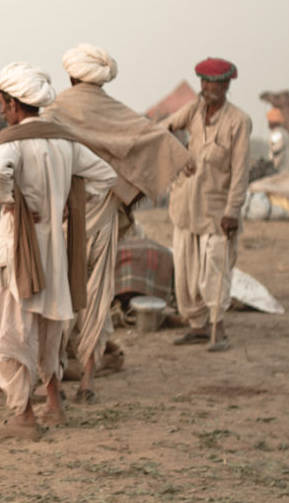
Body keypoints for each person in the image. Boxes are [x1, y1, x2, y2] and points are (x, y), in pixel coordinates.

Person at [43, 44, 192, 402]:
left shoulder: (53, 111)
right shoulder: (120, 113)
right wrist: (131, 195)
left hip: (65, 218)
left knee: (59, 297)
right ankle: (88, 383)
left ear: (71, 75)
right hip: (106, 216)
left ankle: (52, 383)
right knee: (96, 297)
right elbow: (158, 139)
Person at [0, 62, 116, 439]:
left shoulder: (11, 141)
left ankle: (24, 414)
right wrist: (70, 203)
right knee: (50, 326)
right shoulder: (65, 141)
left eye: (2, 103)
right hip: (55, 249)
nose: (2, 110)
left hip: (20, 249)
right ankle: (54, 404)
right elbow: (106, 176)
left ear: (12, 103)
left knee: (15, 327)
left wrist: (12, 202)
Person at [166, 58, 251, 352]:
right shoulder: (193, 110)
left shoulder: (239, 121)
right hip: (185, 207)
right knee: (186, 274)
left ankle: (218, 330)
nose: (205, 87)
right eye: (202, 81)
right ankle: (198, 328)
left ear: (226, 84)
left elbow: (240, 172)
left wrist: (232, 212)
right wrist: (178, 157)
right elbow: (164, 129)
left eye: (211, 82)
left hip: (217, 212)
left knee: (214, 272)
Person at [267, 108, 289, 173]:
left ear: (273, 122)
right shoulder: (284, 132)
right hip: (287, 167)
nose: (268, 123)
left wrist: (274, 166)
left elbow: (278, 151)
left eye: (269, 121)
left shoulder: (277, 133)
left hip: (281, 169)